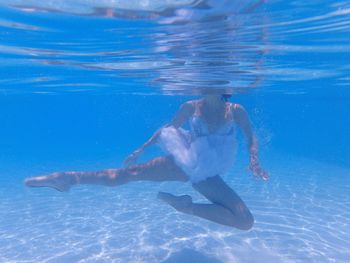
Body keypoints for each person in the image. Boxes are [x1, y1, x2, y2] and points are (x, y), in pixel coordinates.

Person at [25, 93, 268, 230]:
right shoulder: (191, 106)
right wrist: (141, 149)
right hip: (185, 161)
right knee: (127, 174)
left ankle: (185, 207)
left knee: (245, 220)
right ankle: (68, 178)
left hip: (207, 173)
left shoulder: (236, 110)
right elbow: (167, 129)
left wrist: (254, 160)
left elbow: (250, 137)